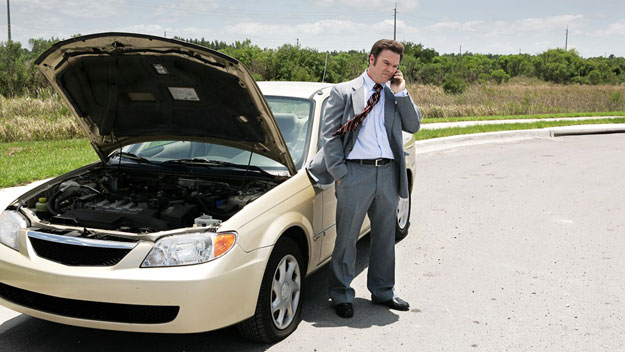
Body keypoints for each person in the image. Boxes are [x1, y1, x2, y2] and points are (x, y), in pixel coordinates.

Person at [307, 39, 421, 318]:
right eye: (386, 63)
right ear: (371, 59)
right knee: (346, 239)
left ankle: (383, 291)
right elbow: (330, 137)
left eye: (395, 66)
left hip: (388, 173)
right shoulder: (345, 92)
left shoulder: (394, 94)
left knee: (384, 237)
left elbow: (414, 124)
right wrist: (341, 174)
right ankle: (342, 293)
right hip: (354, 174)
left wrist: (402, 92)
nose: (390, 69)